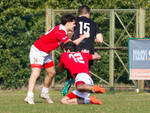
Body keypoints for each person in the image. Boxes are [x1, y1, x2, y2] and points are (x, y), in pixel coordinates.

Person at [24, 14, 90, 104]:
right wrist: (83, 37)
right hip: (37, 51)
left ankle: (44, 93)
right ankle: (29, 96)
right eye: (74, 23)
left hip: (46, 53)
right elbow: (71, 46)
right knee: (36, 73)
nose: (75, 25)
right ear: (68, 23)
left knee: (52, 73)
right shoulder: (60, 31)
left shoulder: (62, 31)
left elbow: (64, 46)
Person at [62, 5, 103, 96]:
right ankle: (85, 92)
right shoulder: (93, 23)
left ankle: (69, 79)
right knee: (84, 73)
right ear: (88, 13)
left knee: (73, 69)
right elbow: (100, 40)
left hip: (75, 49)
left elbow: (68, 33)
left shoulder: (74, 22)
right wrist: (92, 38)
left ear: (79, 13)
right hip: (88, 51)